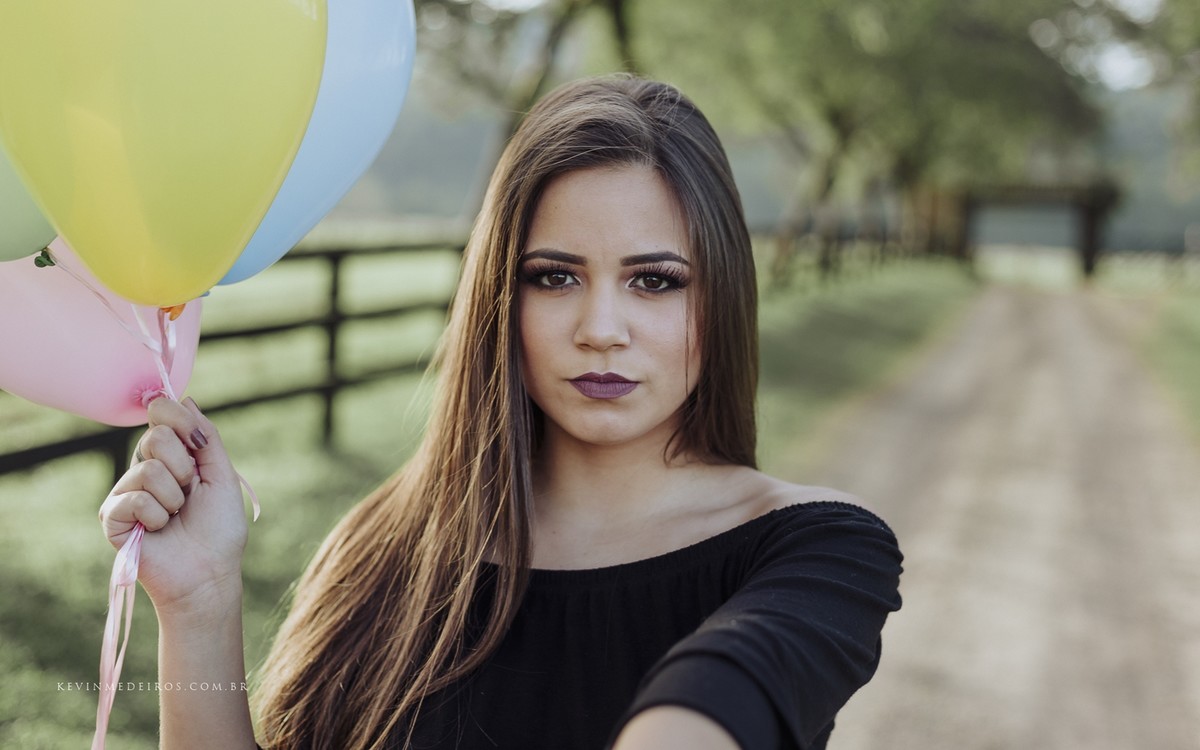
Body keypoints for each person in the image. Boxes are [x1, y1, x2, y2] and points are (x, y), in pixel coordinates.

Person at [98, 75, 902, 750]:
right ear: (499, 298)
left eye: (654, 280)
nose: (600, 330)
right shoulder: (383, 548)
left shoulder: (820, 548)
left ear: (719, 296)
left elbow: (723, 689)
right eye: (554, 277)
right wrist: (201, 607)